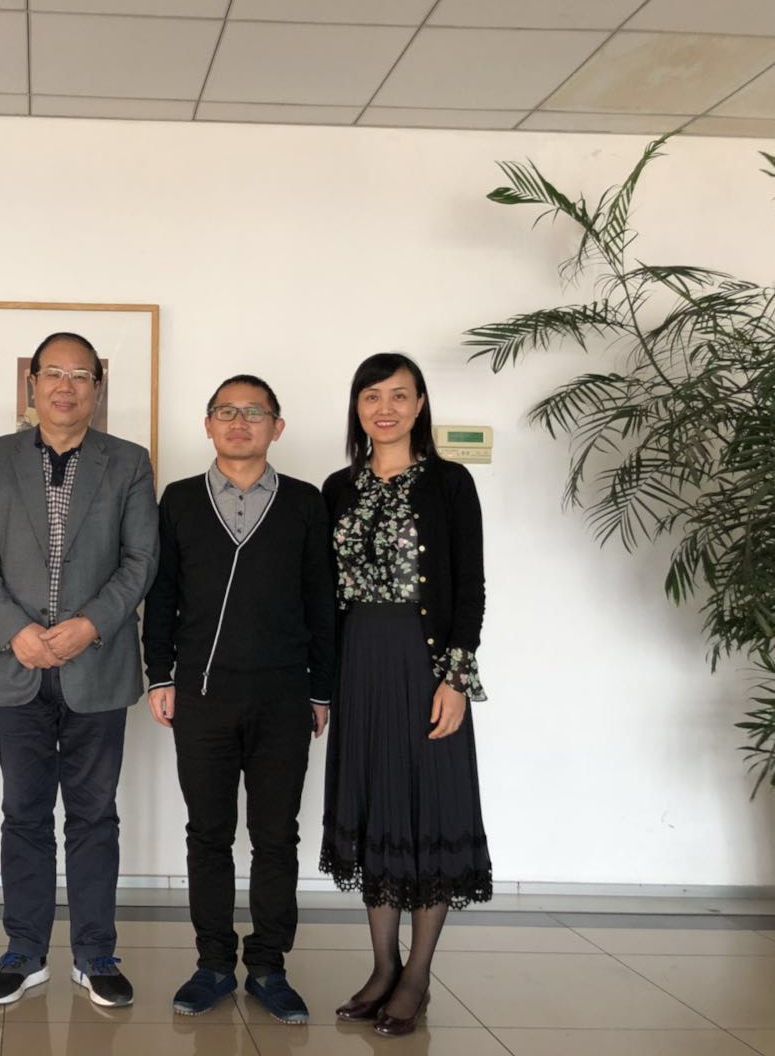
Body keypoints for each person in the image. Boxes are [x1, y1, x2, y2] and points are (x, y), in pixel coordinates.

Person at [0, 331, 160, 1008]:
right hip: (14, 664)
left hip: (96, 663)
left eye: (80, 375)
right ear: (32, 384)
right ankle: (24, 950)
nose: (65, 386)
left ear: (97, 388)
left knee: (94, 814)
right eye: (53, 373)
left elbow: (140, 560)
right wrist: (16, 631)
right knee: (23, 812)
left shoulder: (128, 462)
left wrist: (88, 625)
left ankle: (96, 953)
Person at [143, 374, 336, 1025]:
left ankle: (270, 966)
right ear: (208, 424)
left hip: (284, 697)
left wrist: (321, 690)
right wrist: (160, 675)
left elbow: (321, 601)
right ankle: (214, 964)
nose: (239, 421)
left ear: (276, 427)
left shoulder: (305, 502)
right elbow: (162, 595)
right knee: (209, 834)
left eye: (254, 412)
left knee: (276, 836)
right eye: (226, 411)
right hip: (202, 696)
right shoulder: (180, 499)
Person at [319, 352, 493, 1038]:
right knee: (373, 806)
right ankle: (382, 966)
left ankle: (416, 976)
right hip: (359, 663)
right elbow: (321, 593)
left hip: (424, 667)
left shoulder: (450, 483)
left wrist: (456, 678)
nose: (384, 408)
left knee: (427, 809)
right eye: (371, 396)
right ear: (357, 407)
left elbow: (470, 586)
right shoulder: (338, 487)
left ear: (420, 405)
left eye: (399, 395)